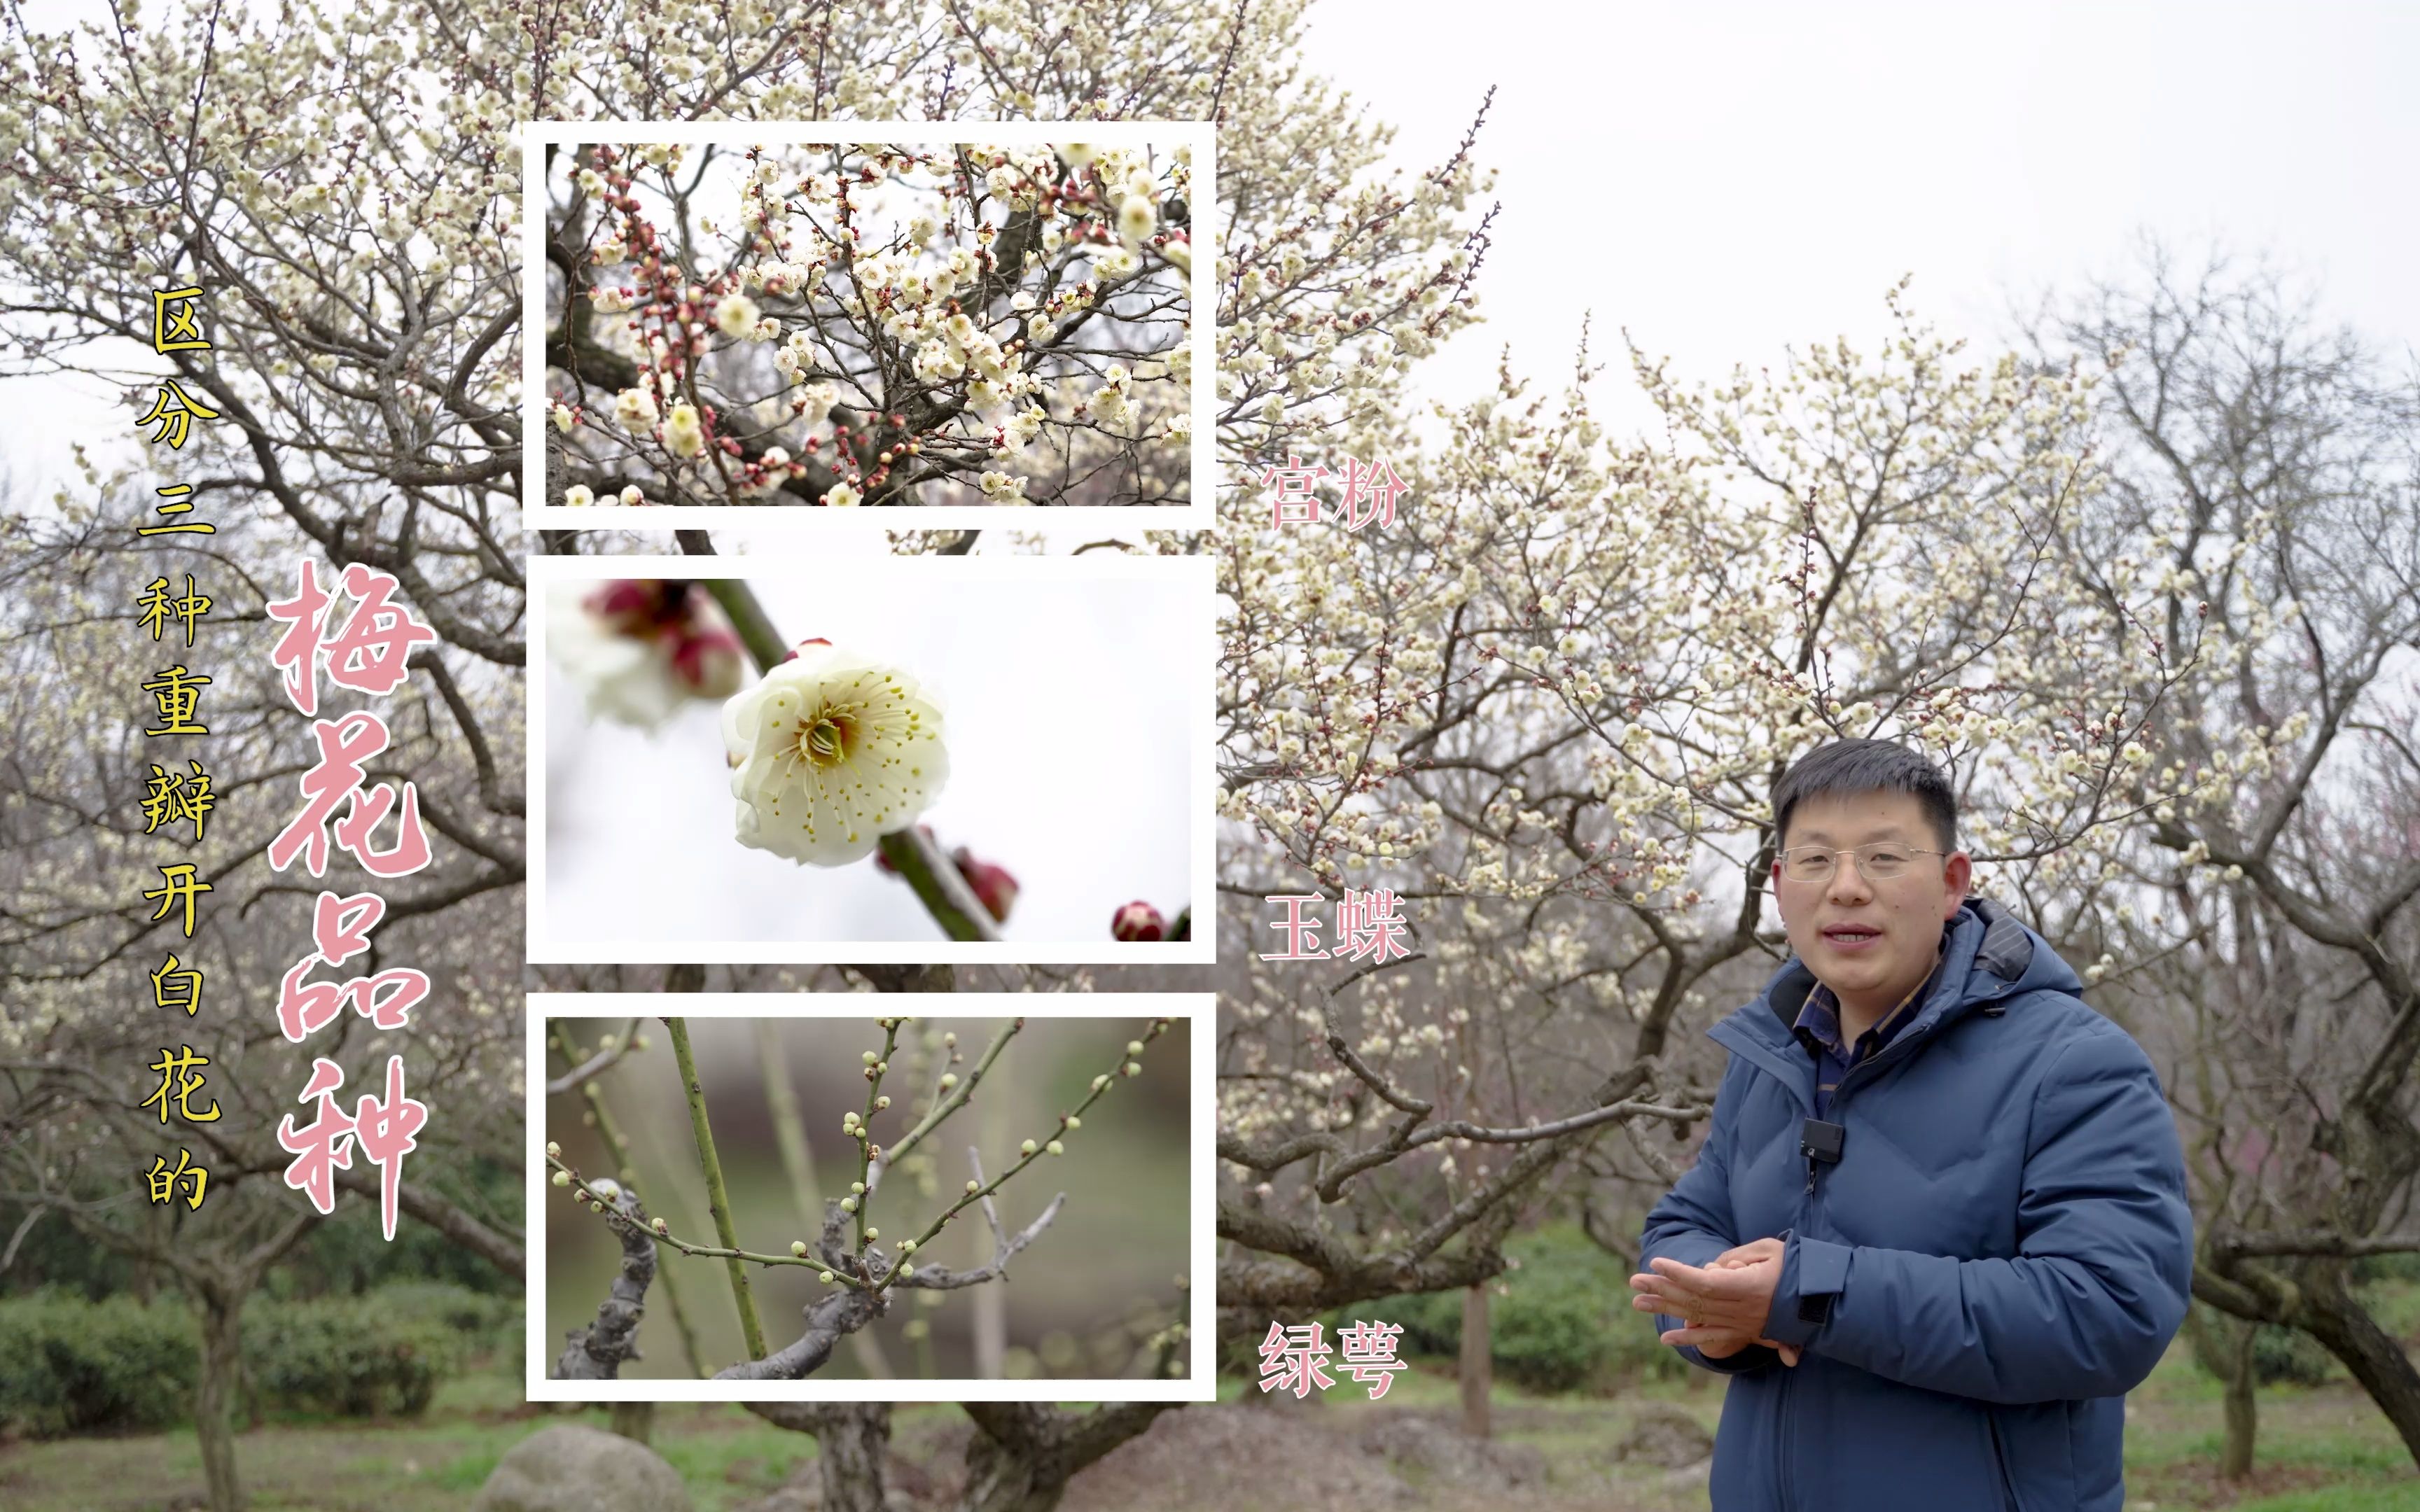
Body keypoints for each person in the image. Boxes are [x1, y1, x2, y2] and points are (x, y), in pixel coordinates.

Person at [1632, 738, 2192, 1512]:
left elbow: (2108, 1312)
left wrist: (1808, 1296)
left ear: (1952, 882)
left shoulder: (2074, 1063)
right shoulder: (1769, 1058)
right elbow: (1687, 1223)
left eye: (1886, 859)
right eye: (1817, 861)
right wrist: (1712, 1306)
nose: (1848, 890)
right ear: (1780, 884)